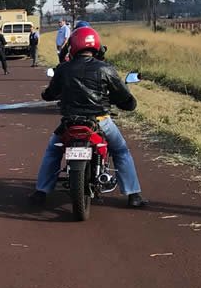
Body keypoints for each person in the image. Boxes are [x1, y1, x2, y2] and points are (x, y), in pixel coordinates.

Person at [29, 27, 148, 208]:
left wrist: (47, 94)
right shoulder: (106, 69)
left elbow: (51, 93)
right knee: (121, 151)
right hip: (100, 120)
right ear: (96, 46)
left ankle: (41, 192)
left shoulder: (63, 69)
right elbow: (123, 97)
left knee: (53, 152)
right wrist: (129, 103)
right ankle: (134, 195)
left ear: (73, 45)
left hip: (70, 123)